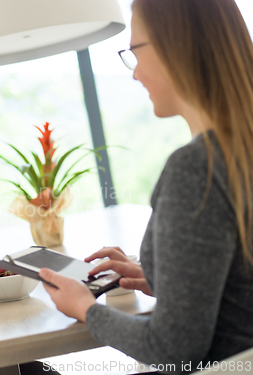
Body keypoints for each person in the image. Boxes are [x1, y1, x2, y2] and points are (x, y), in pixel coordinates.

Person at [39, 0, 253, 373]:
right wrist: (165, 279)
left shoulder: (195, 169)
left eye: (135, 51)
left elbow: (172, 348)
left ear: (178, 45)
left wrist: (85, 308)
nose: (135, 74)